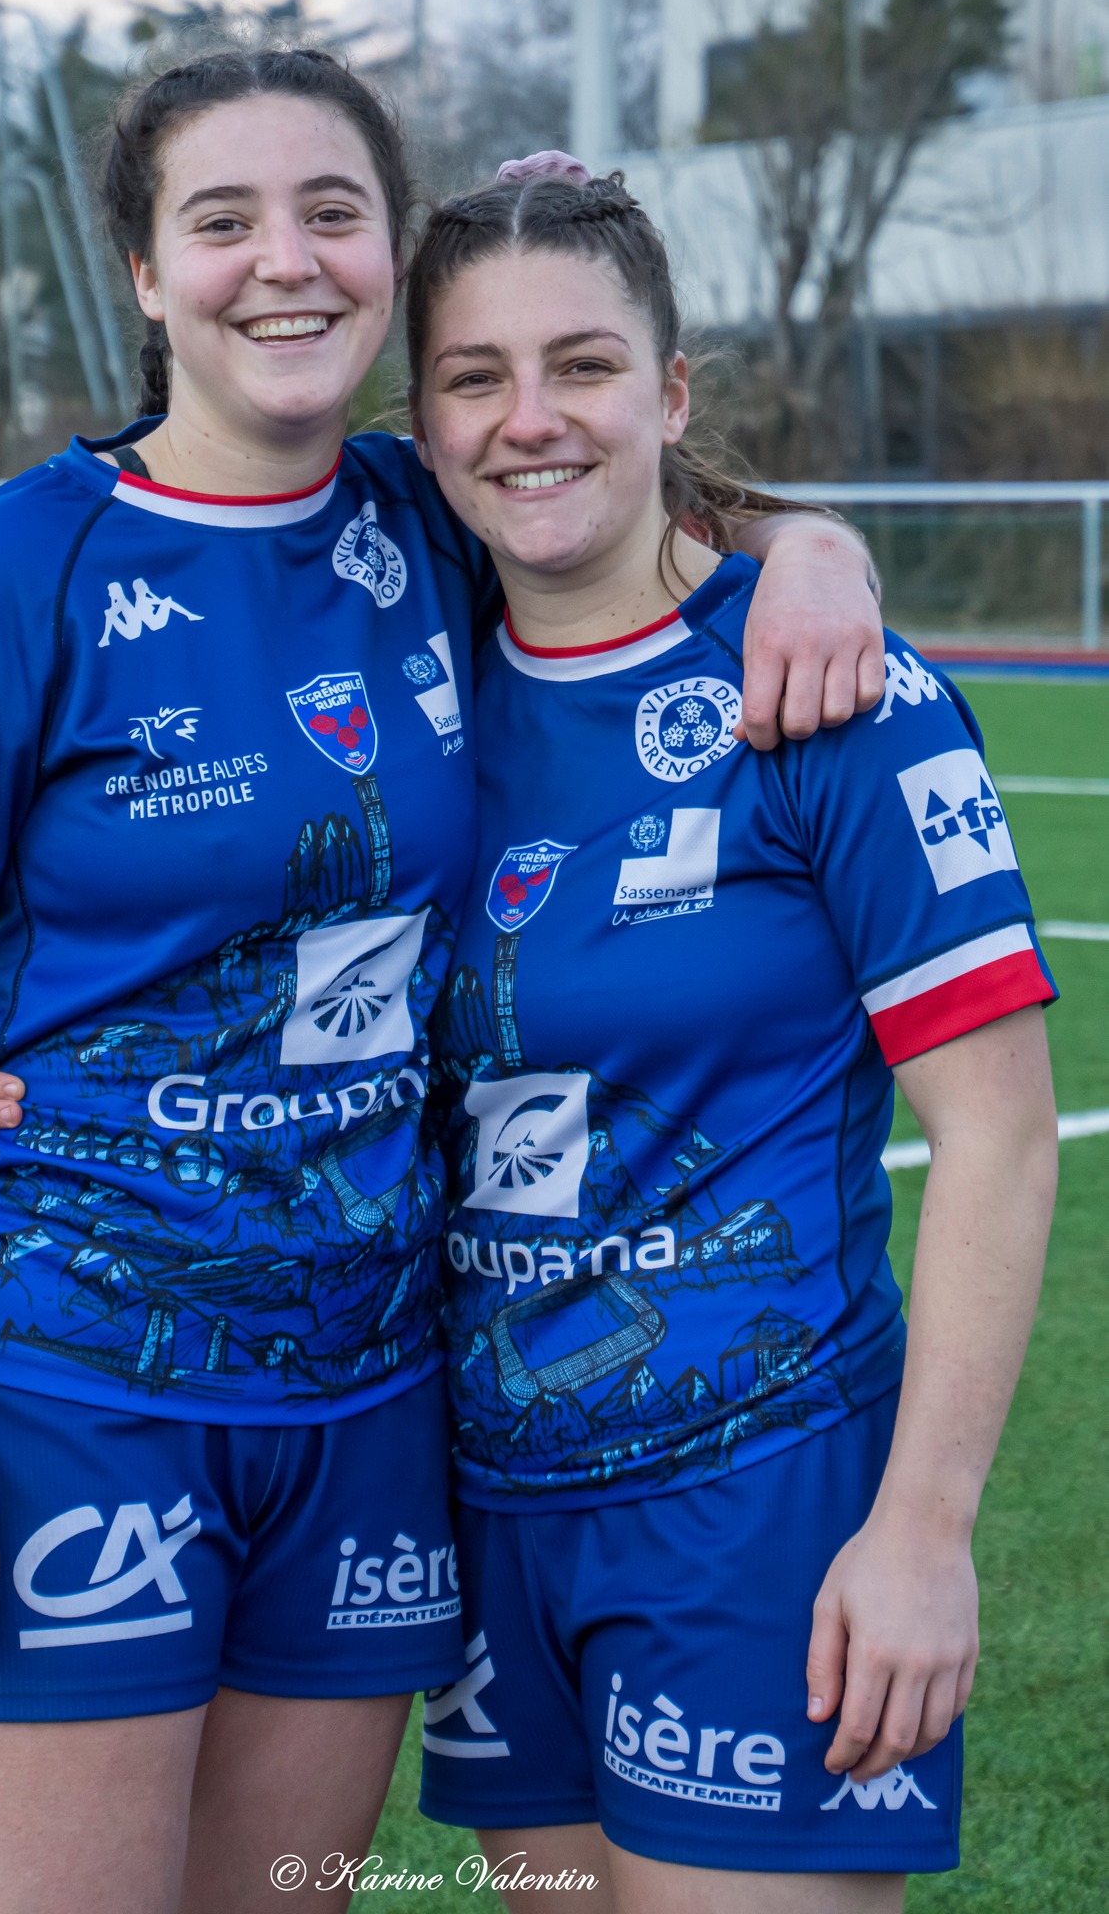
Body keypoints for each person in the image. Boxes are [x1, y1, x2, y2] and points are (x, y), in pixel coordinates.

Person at [0, 53, 882, 1914]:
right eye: (220, 221)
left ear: (384, 258)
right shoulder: (10, 577)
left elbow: (607, 486)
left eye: (329, 213)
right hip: (71, 1383)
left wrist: (815, 553)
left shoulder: (420, 516)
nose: (280, 262)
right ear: (141, 272)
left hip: (373, 1409)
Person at [391, 172, 1057, 1910]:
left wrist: (919, 1533)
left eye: (583, 365)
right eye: (473, 377)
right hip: (483, 1515)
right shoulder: (409, 690)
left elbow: (993, 1132)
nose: (528, 419)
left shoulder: (829, 690)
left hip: (761, 1505)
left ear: (672, 393)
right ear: (421, 422)